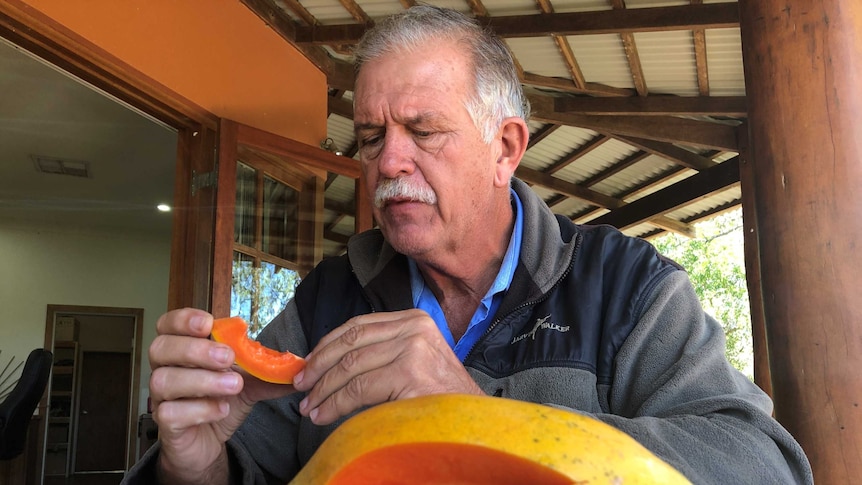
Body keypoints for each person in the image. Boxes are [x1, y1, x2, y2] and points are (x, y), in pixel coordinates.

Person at [123, 6, 812, 485]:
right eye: (369, 137)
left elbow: (765, 465)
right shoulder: (329, 298)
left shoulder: (624, 285)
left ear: (505, 147)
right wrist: (191, 460)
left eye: (422, 132)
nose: (388, 162)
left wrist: (479, 411)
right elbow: (253, 468)